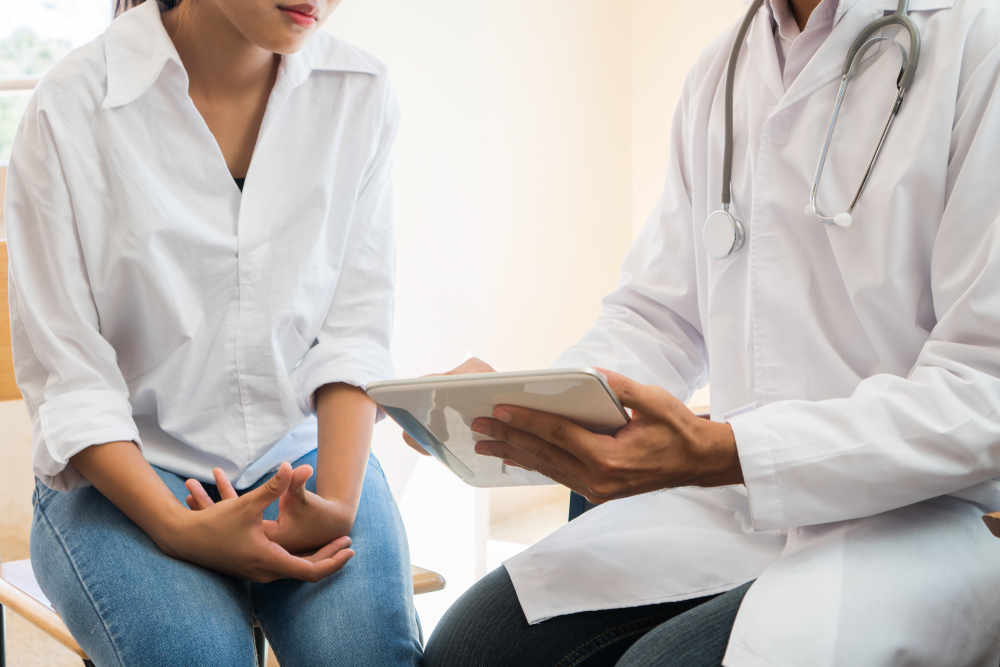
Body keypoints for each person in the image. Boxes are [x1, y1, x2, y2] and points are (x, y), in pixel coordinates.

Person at [418, 0, 1000, 664]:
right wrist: (536, 403)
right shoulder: (723, 71)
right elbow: (656, 314)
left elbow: (985, 388)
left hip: (930, 513)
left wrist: (727, 450)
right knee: (468, 647)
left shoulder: (978, 40)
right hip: (744, 503)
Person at [4, 0, 420, 664]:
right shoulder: (70, 108)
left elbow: (354, 331)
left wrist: (339, 500)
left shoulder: (359, 94)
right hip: (126, 478)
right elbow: (72, 381)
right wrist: (176, 527)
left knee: (365, 653)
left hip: (303, 459)